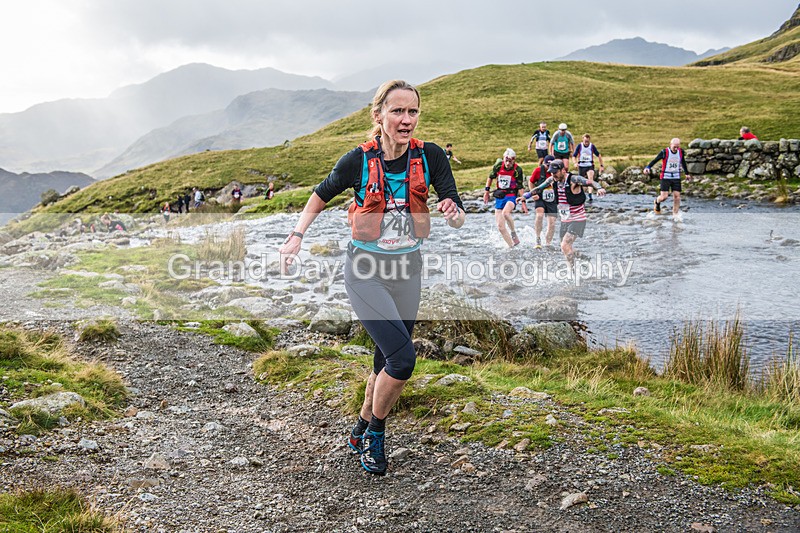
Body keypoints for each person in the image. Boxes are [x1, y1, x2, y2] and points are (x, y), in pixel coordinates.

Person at [278, 80, 464, 476]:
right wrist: (296, 236)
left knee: (385, 361)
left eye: (412, 111)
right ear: (378, 115)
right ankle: (376, 433)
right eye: (398, 111)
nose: (406, 119)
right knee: (403, 359)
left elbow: (457, 208)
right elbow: (320, 194)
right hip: (365, 271)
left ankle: (361, 425)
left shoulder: (430, 156)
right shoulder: (357, 161)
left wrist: (453, 211)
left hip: (407, 271)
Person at [529, 159, 606, 270]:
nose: (553, 175)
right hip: (565, 219)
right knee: (564, 247)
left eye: (555, 172)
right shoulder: (552, 179)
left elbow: (590, 182)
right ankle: (582, 257)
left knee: (564, 245)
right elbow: (538, 189)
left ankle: (573, 273)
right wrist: (525, 197)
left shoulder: (574, 180)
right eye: (551, 172)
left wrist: (599, 188)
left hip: (578, 219)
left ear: (563, 170)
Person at [483, 148, 528, 247]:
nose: (507, 163)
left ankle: (513, 232)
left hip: (511, 195)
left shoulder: (517, 170)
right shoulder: (499, 165)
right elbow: (490, 177)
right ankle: (511, 246)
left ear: (514, 160)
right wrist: (486, 191)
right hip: (500, 196)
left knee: (506, 213)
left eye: (510, 161)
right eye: (506, 161)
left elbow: (520, 187)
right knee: (500, 227)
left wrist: (523, 203)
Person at [644, 138, 693, 220]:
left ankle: (675, 215)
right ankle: (657, 201)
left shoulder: (681, 152)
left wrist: (687, 173)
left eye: (678, 146)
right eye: (675, 146)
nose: (676, 148)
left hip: (676, 177)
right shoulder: (664, 152)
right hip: (665, 177)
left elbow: (683, 162)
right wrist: (648, 167)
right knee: (664, 197)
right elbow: (655, 160)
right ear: (671, 145)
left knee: (677, 196)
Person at [525, 154, 557, 249]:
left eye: (550, 166)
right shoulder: (538, 170)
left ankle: (548, 243)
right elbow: (531, 181)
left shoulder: (557, 172)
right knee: (539, 215)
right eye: (547, 165)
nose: (548, 168)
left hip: (552, 199)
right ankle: (538, 238)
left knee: (552, 222)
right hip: (540, 197)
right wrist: (533, 194)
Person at [572, 133, 605, 203]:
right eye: (585, 141)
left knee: (590, 178)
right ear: (583, 140)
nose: (586, 143)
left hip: (589, 164)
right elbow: (574, 156)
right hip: (581, 165)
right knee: (581, 181)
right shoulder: (579, 146)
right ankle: (581, 194)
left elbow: (598, 155)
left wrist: (601, 165)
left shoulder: (592, 146)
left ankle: (590, 194)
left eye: (587, 141)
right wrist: (575, 163)